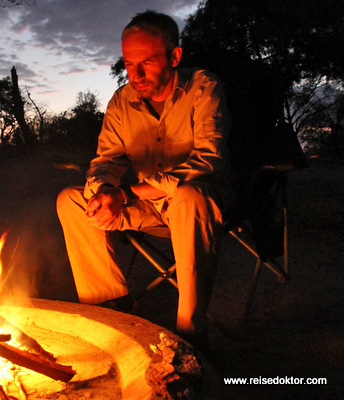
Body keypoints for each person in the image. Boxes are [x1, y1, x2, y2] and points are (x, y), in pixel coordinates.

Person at [56, 10, 234, 343]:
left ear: (174, 56)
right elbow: (105, 159)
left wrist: (126, 194)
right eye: (128, 64)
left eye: (147, 63)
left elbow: (208, 160)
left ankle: (190, 332)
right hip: (148, 207)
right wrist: (106, 190)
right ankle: (109, 309)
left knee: (189, 196)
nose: (135, 75)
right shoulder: (122, 102)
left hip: (200, 208)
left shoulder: (203, 88)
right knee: (71, 200)